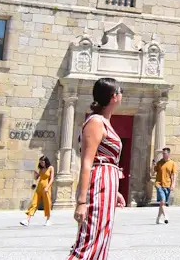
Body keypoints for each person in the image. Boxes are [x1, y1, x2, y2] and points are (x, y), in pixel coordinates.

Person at [69, 77, 125, 260]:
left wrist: (114, 190)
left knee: (101, 241)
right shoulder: (95, 122)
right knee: (88, 242)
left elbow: (109, 160)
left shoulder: (105, 122)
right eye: (119, 91)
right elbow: (87, 162)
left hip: (107, 187)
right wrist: (81, 202)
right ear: (113, 97)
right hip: (97, 185)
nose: (121, 94)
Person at [21, 156, 54, 226]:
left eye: (42, 162)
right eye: (40, 162)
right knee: (34, 203)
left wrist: (47, 187)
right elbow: (36, 178)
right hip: (39, 187)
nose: (41, 164)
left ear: (46, 161)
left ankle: (48, 219)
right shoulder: (41, 169)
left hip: (46, 188)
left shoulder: (51, 168)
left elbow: (51, 179)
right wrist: (35, 174)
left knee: (47, 203)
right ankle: (27, 220)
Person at [154, 147, 176, 225]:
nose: (163, 155)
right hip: (159, 184)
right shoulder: (160, 162)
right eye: (163, 153)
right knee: (163, 201)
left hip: (167, 184)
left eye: (165, 153)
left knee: (162, 203)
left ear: (168, 154)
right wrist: (153, 164)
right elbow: (153, 171)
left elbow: (173, 174)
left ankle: (158, 219)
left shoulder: (172, 163)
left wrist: (173, 184)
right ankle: (166, 217)